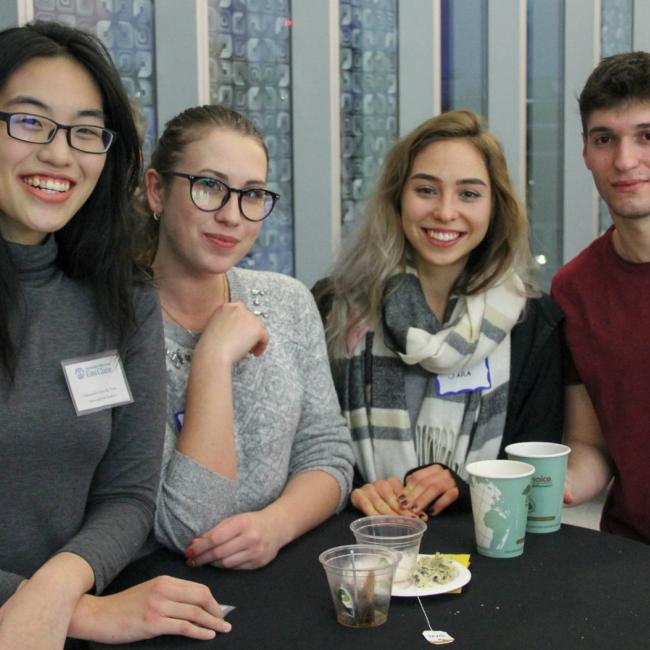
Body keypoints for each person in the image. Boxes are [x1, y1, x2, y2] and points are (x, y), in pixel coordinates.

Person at [0, 22, 230, 649]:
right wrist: (78, 613)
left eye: (84, 131)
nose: (58, 154)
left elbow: (128, 495)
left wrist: (57, 588)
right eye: (28, 122)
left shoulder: (122, 296)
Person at [135, 104, 354, 570]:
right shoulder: (115, 326)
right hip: (157, 593)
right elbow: (186, 526)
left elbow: (329, 452)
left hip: (283, 574)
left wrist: (276, 525)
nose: (232, 215)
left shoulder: (288, 302)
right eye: (209, 186)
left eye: (252, 194)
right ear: (156, 191)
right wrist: (212, 358)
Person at [316, 110, 563, 519]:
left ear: (495, 206)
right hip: (362, 549)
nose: (446, 212)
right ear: (397, 197)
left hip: (485, 552)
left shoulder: (533, 321)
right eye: (426, 190)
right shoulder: (332, 307)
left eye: (469, 194)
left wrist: (464, 487)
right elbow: (307, 452)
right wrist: (355, 490)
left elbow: (535, 472)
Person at [552, 52, 650, 544]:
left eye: (646, 136)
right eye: (605, 139)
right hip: (632, 558)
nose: (625, 160)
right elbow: (591, 443)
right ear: (586, 152)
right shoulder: (575, 290)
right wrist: (555, 485)